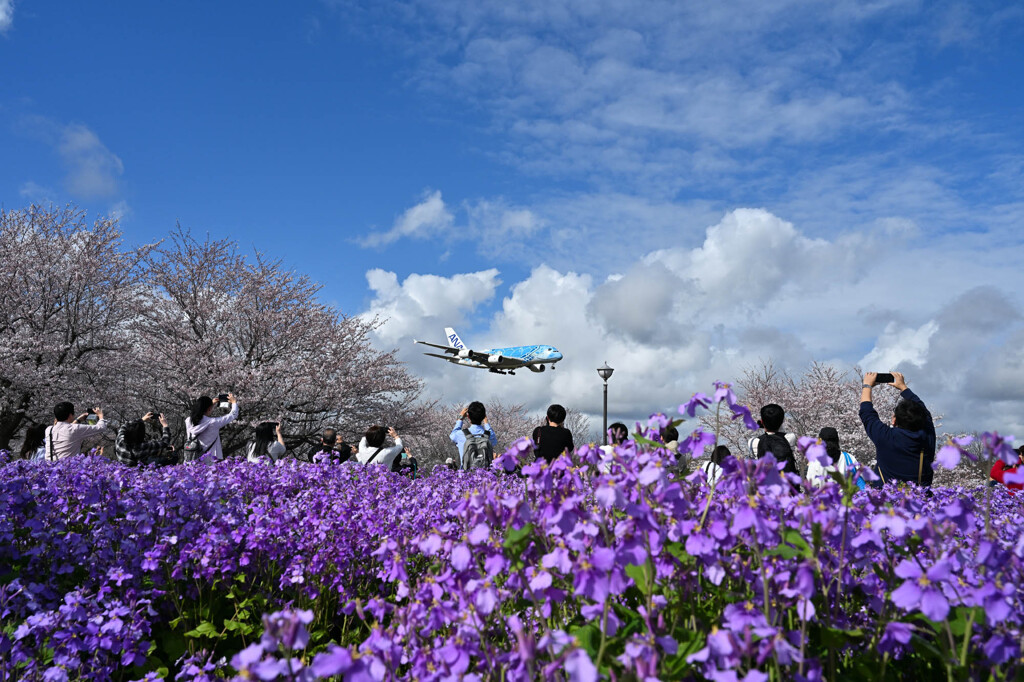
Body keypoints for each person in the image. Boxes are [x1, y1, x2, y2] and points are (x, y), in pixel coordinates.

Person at [860, 372, 936, 487]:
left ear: (894, 421)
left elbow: (867, 413)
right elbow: (923, 410)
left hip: (886, 501)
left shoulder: (886, 437)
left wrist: (867, 386)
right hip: (920, 501)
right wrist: (903, 387)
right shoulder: (927, 436)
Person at [45, 402, 110, 460]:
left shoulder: (48, 430)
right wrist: (100, 416)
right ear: (70, 415)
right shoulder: (75, 429)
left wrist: (78, 420)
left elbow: (66, 431)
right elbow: (101, 427)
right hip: (68, 468)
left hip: (50, 468)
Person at [184, 393, 239, 461]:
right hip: (209, 462)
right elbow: (233, 415)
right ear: (209, 409)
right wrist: (234, 402)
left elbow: (201, 415)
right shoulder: (213, 422)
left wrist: (211, 405)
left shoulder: (188, 420)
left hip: (191, 460)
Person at [747, 404, 799, 475]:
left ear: (762, 421)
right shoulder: (790, 437)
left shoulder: (753, 442)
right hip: (786, 482)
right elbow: (780, 431)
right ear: (782, 421)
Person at [450, 402, 497, 469]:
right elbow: (493, 438)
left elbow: (452, 435)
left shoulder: (460, 434)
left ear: (468, 416)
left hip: (466, 477)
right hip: (485, 477)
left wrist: (460, 418)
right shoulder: (489, 435)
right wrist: (486, 422)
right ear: (484, 416)